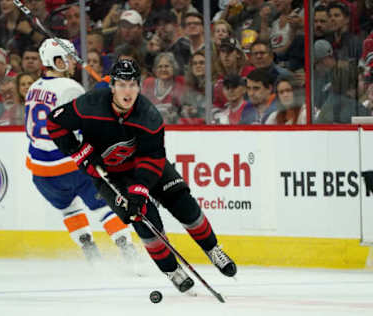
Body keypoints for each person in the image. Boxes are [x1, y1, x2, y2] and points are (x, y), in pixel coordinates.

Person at [46, 59, 237, 293]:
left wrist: (140, 188)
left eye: (133, 84)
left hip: (145, 167)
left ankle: (212, 249)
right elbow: (55, 122)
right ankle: (171, 270)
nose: (128, 91)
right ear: (112, 86)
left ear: (139, 87)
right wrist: (78, 152)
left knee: (183, 203)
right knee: (142, 218)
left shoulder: (149, 116)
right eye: (122, 84)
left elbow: (154, 158)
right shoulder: (90, 105)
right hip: (109, 176)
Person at [25, 38, 139, 263]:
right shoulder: (70, 87)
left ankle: (89, 251)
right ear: (55, 60)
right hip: (71, 166)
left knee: (69, 209)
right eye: (67, 58)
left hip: (41, 173)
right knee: (104, 207)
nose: (72, 62)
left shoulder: (33, 88)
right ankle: (128, 250)